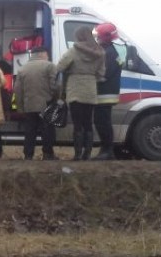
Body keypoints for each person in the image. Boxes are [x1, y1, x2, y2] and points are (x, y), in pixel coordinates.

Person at [55, 26, 105, 160]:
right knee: (88, 123)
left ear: (79, 37)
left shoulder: (73, 51)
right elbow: (101, 74)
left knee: (77, 124)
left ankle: (77, 155)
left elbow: (60, 66)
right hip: (90, 88)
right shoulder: (100, 52)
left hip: (75, 88)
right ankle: (87, 155)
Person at [13, 47, 59, 160]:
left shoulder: (22, 69)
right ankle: (48, 154)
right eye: (47, 54)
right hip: (46, 104)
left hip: (29, 105)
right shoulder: (49, 66)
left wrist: (20, 107)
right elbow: (55, 86)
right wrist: (56, 99)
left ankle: (28, 155)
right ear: (42, 54)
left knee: (30, 131)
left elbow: (17, 90)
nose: (47, 57)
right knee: (47, 131)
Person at [92, 22, 123, 160]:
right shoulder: (112, 51)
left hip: (105, 93)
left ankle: (107, 151)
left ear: (106, 37)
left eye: (98, 36)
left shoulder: (110, 53)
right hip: (106, 93)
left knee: (102, 122)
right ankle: (106, 150)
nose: (97, 39)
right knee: (101, 121)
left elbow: (104, 74)